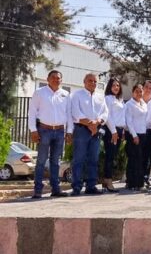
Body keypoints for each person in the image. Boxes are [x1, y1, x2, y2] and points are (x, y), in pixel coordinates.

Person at [28, 70, 73, 199]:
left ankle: (55, 189)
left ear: (61, 81)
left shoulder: (65, 95)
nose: (55, 80)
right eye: (53, 77)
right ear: (47, 79)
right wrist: (33, 130)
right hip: (44, 130)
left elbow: (69, 114)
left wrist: (69, 132)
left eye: (58, 78)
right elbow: (31, 112)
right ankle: (37, 190)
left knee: (56, 161)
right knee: (41, 161)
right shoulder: (39, 93)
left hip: (59, 131)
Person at [70, 73, 109, 196]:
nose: (93, 83)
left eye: (95, 81)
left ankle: (91, 186)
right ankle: (76, 187)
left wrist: (97, 122)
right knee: (79, 159)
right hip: (81, 130)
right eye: (90, 80)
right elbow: (76, 112)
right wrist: (90, 124)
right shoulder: (77, 95)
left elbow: (105, 113)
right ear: (84, 81)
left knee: (93, 159)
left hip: (96, 131)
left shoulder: (100, 97)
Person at [103, 78, 125, 193]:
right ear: (109, 87)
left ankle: (106, 179)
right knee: (110, 156)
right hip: (112, 130)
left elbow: (122, 116)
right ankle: (108, 180)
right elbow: (107, 116)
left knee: (113, 156)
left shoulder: (120, 99)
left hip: (120, 130)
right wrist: (113, 131)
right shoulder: (108, 99)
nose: (116, 87)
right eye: (113, 85)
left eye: (118, 85)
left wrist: (123, 130)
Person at [124, 84, 148, 191]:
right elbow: (129, 121)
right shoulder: (129, 104)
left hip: (143, 134)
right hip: (134, 135)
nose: (139, 93)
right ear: (133, 92)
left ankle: (134, 182)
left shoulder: (144, 104)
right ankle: (135, 183)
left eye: (141, 91)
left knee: (141, 159)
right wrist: (134, 135)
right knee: (135, 159)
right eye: (137, 91)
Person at [142, 80, 151, 188]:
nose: (148, 89)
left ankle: (145, 177)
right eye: (146, 87)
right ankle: (135, 177)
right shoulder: (137, 100)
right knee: (138, 155)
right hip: (139, 131)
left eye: (150, 88)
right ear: (143, 88)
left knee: (148, 156)